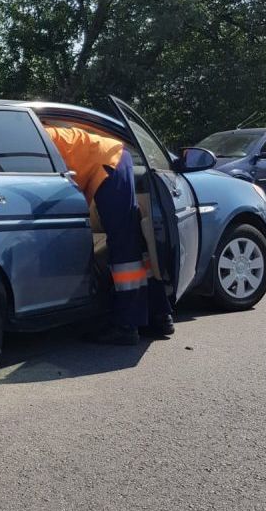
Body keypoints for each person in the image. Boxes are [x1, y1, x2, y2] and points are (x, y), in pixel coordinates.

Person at [44, 123, 174, 345]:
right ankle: (159, 315)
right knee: (133, 242)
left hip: (108, 161)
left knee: (124, 249)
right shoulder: (35, 132)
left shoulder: (31, 136)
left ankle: (127, 326)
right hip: (112, 157)